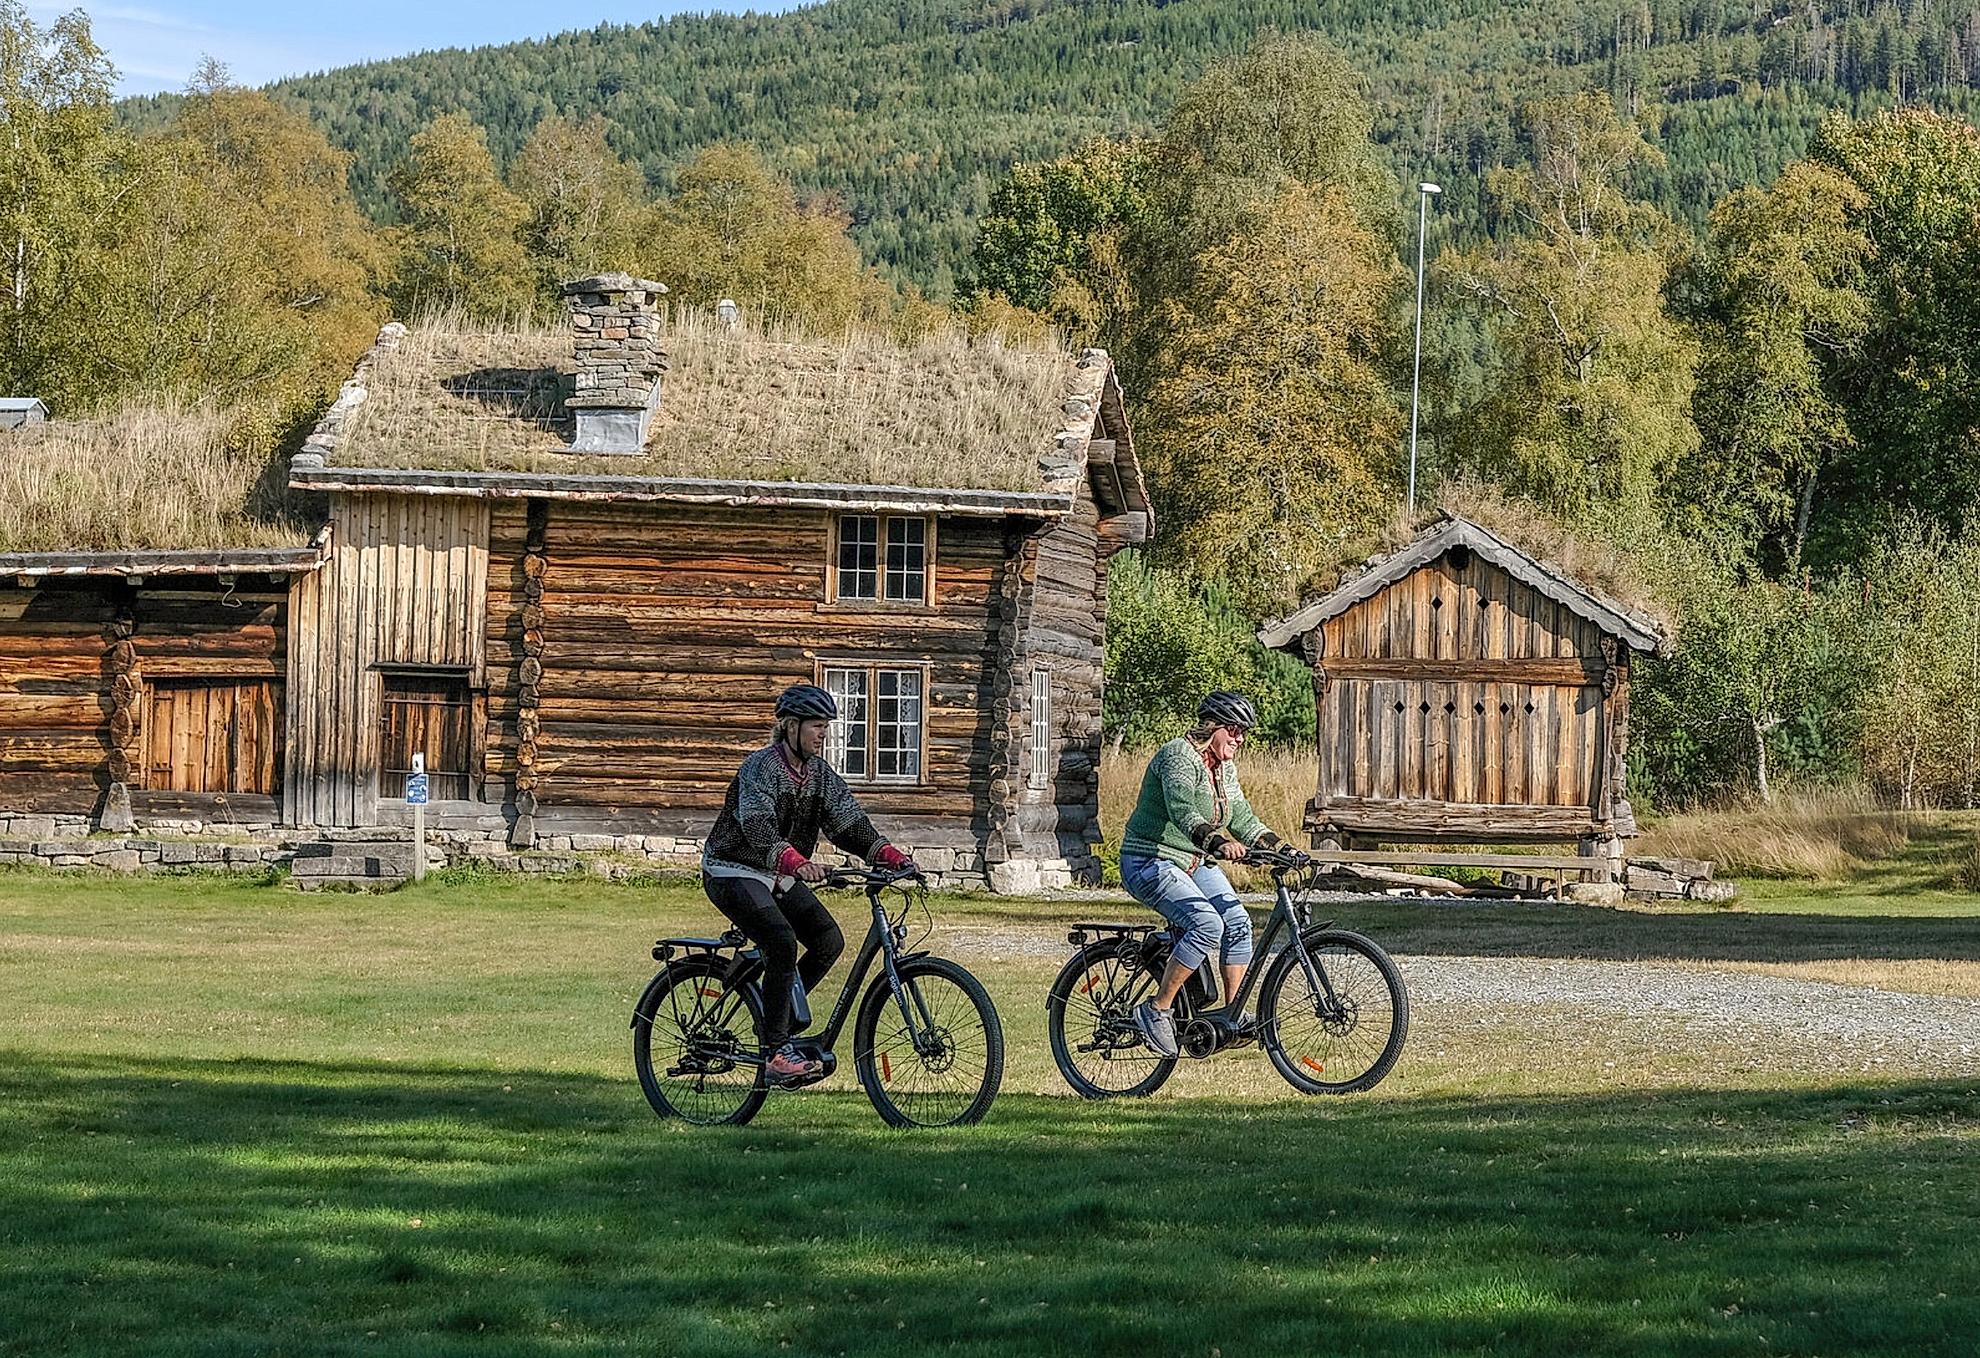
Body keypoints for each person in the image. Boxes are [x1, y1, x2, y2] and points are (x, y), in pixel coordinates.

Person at [701, 683, 916, 1083]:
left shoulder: (819, 776)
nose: (823, 734)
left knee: (827, 939)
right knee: (781, 941)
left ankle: (774, 1016)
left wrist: (890, 856)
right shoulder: (761, 767)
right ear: (790, 727)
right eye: (817, 726)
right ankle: (776, 1052)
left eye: (826, 727)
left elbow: (849, 825)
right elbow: (758, 828)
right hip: (732, 869)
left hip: (778, 874)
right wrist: (797, 863)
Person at [1116, 690, 1294, 1059]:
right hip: (1150, 859)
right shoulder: (1177, 757)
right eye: (1234, 729)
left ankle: (1232, 1015)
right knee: (1206, 924)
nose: (1240, 738)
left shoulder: (1223, 766)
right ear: (1211, 726)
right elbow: (1183, 813)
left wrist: (1283, 849)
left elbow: (1243, 817)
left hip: (1192, 862)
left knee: (1238, 922)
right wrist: (1219, 845)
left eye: (1243, 732)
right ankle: (1157, 1010)